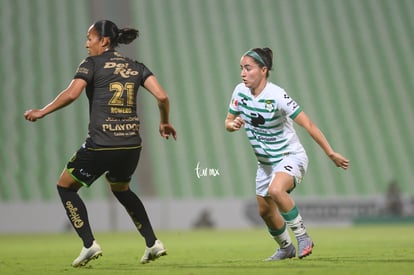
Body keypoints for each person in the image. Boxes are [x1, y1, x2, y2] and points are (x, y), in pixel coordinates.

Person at [24, 20, 176, 267]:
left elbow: (72, 93)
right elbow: (162, 96)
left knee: (65, 186)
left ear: (104, 41)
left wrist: (43, 111)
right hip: (131, 146)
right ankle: (152, 243)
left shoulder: (91, 64)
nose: (86, 44)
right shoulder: (136, 66)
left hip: (101, 144)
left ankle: (88, 244)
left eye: (89, 38)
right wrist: (164, 122)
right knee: (121, 189)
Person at [225, 48, 349, 261]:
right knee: (265, 211)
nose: (243, 73)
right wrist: (232, 124)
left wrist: (330, 153)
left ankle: (303, 238)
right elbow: (228, 121)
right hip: (265, 164)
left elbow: (309, 124)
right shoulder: (239, 91)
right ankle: (286, 248)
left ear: (263, 70)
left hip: (290, 156)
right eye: (241, 69)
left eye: (248, 68)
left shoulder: (277, 96)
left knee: (276, 190)